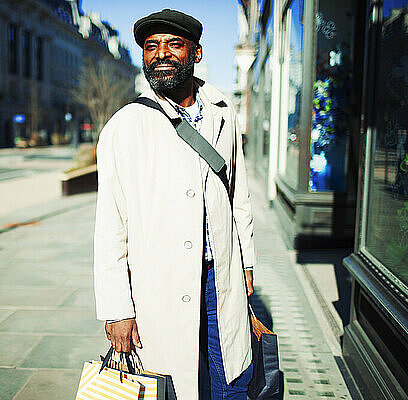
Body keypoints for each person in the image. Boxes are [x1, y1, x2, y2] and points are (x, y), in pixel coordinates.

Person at [93, 9, 256, 400]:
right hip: (157, 285)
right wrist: (117, 308)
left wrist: (246, 262)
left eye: (173, 44)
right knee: (168, 386)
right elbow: (110, 226)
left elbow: (239, 196)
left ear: (196, 53)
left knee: (232, 379)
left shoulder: (222, 113)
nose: (161, 53)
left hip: (220, 276)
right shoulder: (125, 126)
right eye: (151, 47)